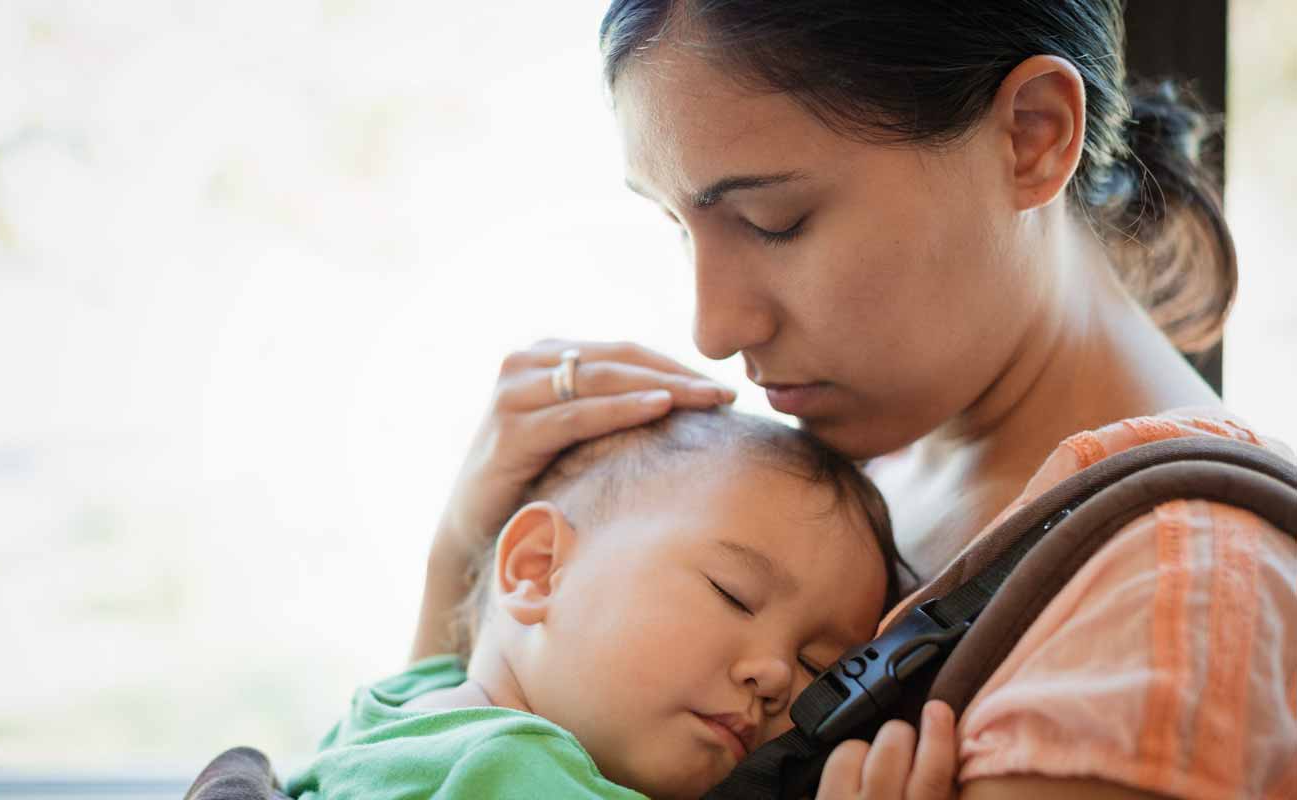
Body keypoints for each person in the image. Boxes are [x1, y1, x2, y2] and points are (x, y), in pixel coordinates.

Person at [412, 2, 1297, 798]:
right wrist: (463, 561)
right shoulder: (850, 463)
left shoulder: (1170, 608)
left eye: (774, 222)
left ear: (1032, 135)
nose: (714, 326)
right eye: (680, 226)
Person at [292, 408, 958, 800]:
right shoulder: (516, 771)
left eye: (820, 667)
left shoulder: (405, 703)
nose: (778, 676)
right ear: (536, 569)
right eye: (734, 595)